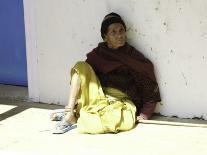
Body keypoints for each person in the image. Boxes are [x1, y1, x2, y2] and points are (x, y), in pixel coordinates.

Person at [51, 12, 161, 134]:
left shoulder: (132, 55)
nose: (119, 35)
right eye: (113, 32)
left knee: (115, 121)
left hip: (120, 102)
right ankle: (70, 112)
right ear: (105, 37)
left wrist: (145, 113)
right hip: (98, 96)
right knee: (80, 67)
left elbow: (148, 83)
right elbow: (84, 79)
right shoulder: (99, 54)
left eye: (121, 30)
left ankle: (78, 115)